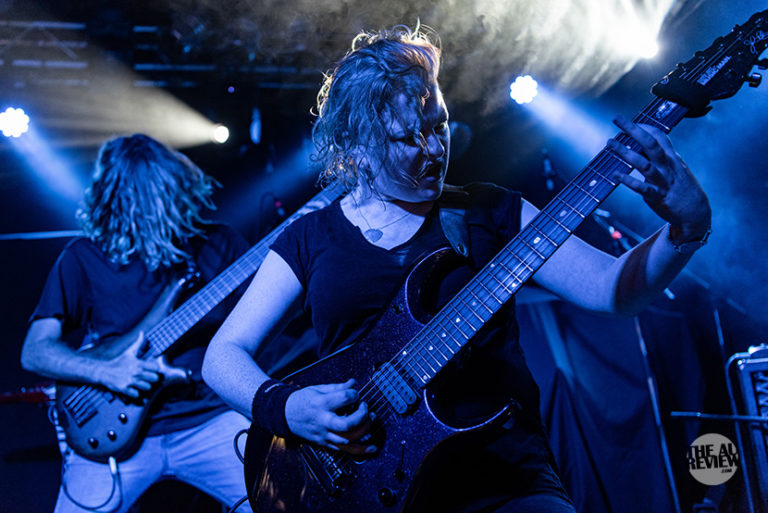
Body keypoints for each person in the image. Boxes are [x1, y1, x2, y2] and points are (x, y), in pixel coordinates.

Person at [202, 26, 711, 512]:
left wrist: (685, 228)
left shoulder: (491, 211)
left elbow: (610, 289)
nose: (433, 149)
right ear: (357, 149)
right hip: (361, 485)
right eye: (407, 138)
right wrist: (284, 408)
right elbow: (223, 356)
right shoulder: (311, 236)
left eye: (438, 125)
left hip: (503, 480)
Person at [21, 134, 253, 513]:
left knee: (279, 499)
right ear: (115, 200)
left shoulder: (219, 243)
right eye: (139, 201)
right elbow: (35, 351)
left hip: (209, 419)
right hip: (111, 430)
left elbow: (281, 313)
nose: (152, 213)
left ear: (180, 189)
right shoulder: (82, 257)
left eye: (161, 198)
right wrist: (108, 372)